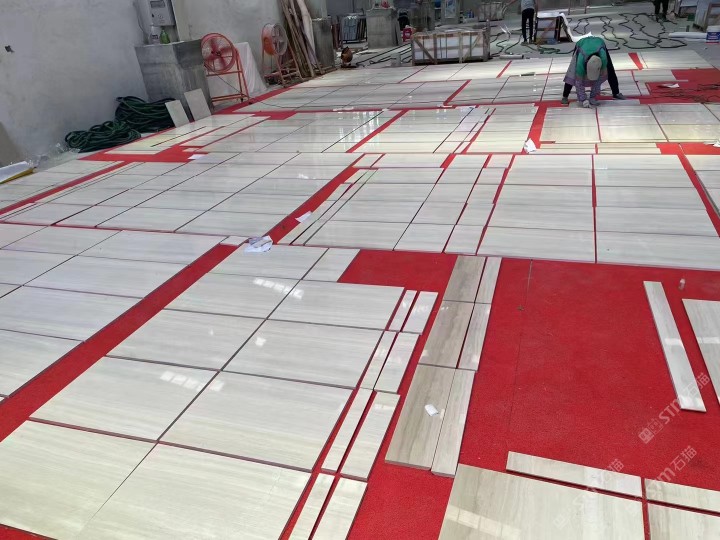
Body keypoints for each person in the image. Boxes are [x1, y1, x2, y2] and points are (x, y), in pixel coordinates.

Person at [561, 37, 625, 105]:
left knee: (610, 70)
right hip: (582, 46)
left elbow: (600, 77)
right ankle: (565, 96)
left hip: (599, 45)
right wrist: (583, 99)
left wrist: (593, 97)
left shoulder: (603, 59)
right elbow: (578, 81)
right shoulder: (581, 59)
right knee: (572, 72)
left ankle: (616, 93)